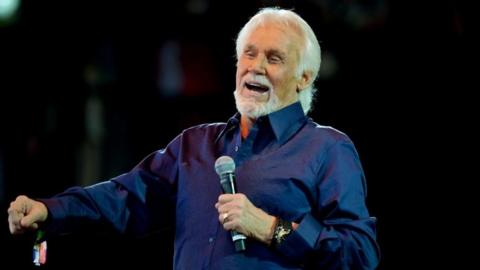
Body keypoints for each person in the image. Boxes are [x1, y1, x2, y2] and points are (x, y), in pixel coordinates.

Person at [7, 7, 380, 269]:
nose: (256, 66)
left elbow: (360, 253)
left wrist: (269, 228)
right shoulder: (195, 145)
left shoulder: (327, 148)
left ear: (304, 78)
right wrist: (51, 210)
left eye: (274, 58)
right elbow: (124, 197)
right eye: (248, 54)